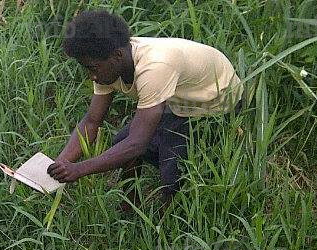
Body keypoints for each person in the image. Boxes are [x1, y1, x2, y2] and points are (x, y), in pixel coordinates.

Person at [47, 10, 242, 213]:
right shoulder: (109, 64)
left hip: (215, 106)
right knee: (122, 144)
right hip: (177, 101)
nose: (92, 77)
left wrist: (79, 169)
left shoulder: (155, 66)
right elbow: (91, 122)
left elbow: (136, 144)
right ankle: (129, 208)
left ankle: (171, 224)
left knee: (173, 174)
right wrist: (61, 164)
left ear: (117, 56)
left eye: (93, 68)